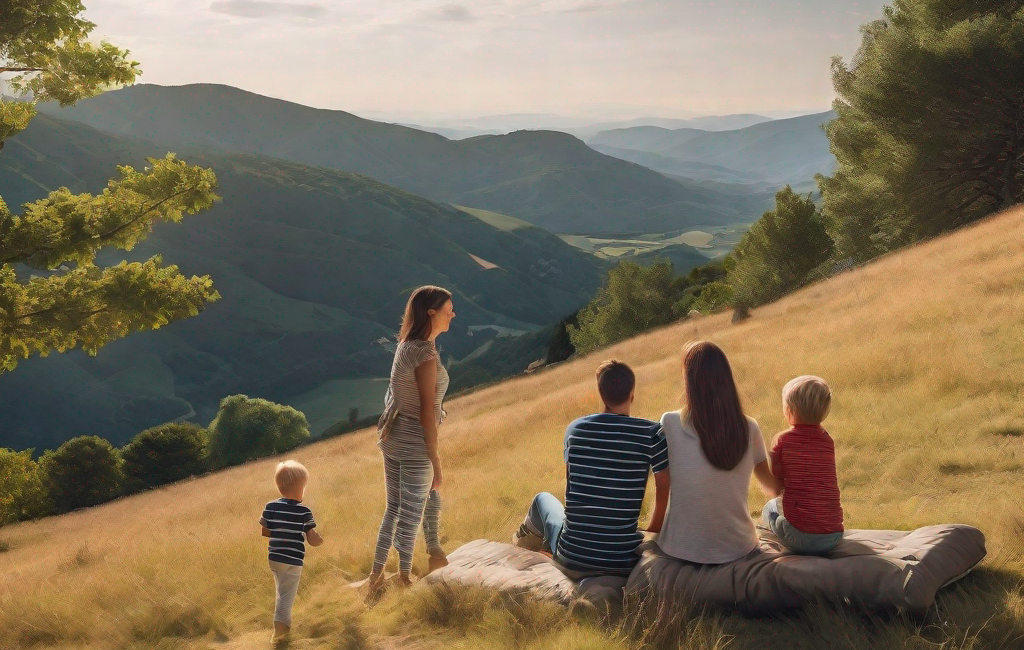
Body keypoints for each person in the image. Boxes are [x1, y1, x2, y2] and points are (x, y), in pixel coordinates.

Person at [512, 360, 671, 578]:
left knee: (542, 500)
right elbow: (665, 487)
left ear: (600, 393)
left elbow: (572, 492)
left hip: (571, 558)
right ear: (632, 394)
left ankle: (520, 549)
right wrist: (651, 532)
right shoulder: (652, 433)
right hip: (623, 562)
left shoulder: (575, 430)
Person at [656, 341, 781, 564]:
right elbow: (773, 488)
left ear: (689, 382)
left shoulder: (669, 423)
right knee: (771, 510)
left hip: (680, 549)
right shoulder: (749, 427)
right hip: (739, 547)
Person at [368, 285, 455, 590]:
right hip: (415, 442)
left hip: (394, 437)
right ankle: (404, 578)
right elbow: (427, 413)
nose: (452, 315)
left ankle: (378, 574)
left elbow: (395, 394)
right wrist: (436, 460)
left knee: (399, 506)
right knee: (411, 512)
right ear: (431, 313)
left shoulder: (406, 344)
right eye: (447, 311)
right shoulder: (425, 353)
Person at [761, 375, 844, 554]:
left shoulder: (782, 440)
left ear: (789, 410)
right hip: (833, 535)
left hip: (799, 536)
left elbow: (777, 481)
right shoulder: (827, 440)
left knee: (770, 508)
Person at [260, 460, 323, 645]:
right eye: (303, 487)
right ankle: (279, 633)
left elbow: (264, 531)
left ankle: (283, 628)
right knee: (287, 595)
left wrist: (281, 533)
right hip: (293, 560)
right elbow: (312, 539)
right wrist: (319, 540)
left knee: (281, 590)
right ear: (299, 489)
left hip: (274, 557)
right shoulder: (304, 512)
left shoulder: (270, 506)